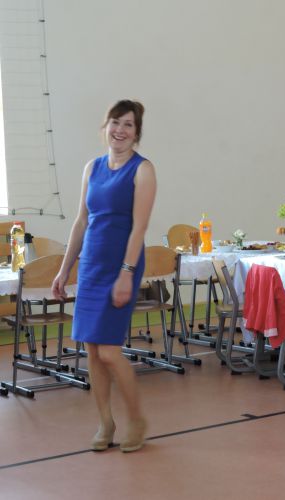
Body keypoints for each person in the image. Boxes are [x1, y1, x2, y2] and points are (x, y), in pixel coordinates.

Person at [52, 100, 157, 453]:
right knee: (92, 351)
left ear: (136, 133)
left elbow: (139, 227)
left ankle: (136, 419)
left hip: (121, 265)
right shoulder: (92, 168)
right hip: (91, 266)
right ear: (105, 127)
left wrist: (127, 274)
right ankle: (105, 422)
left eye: (128, 125)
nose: (120, 130)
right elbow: (81, 221)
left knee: (109, 351)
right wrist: (65, 269)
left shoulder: (143, 170)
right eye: (115, 122)